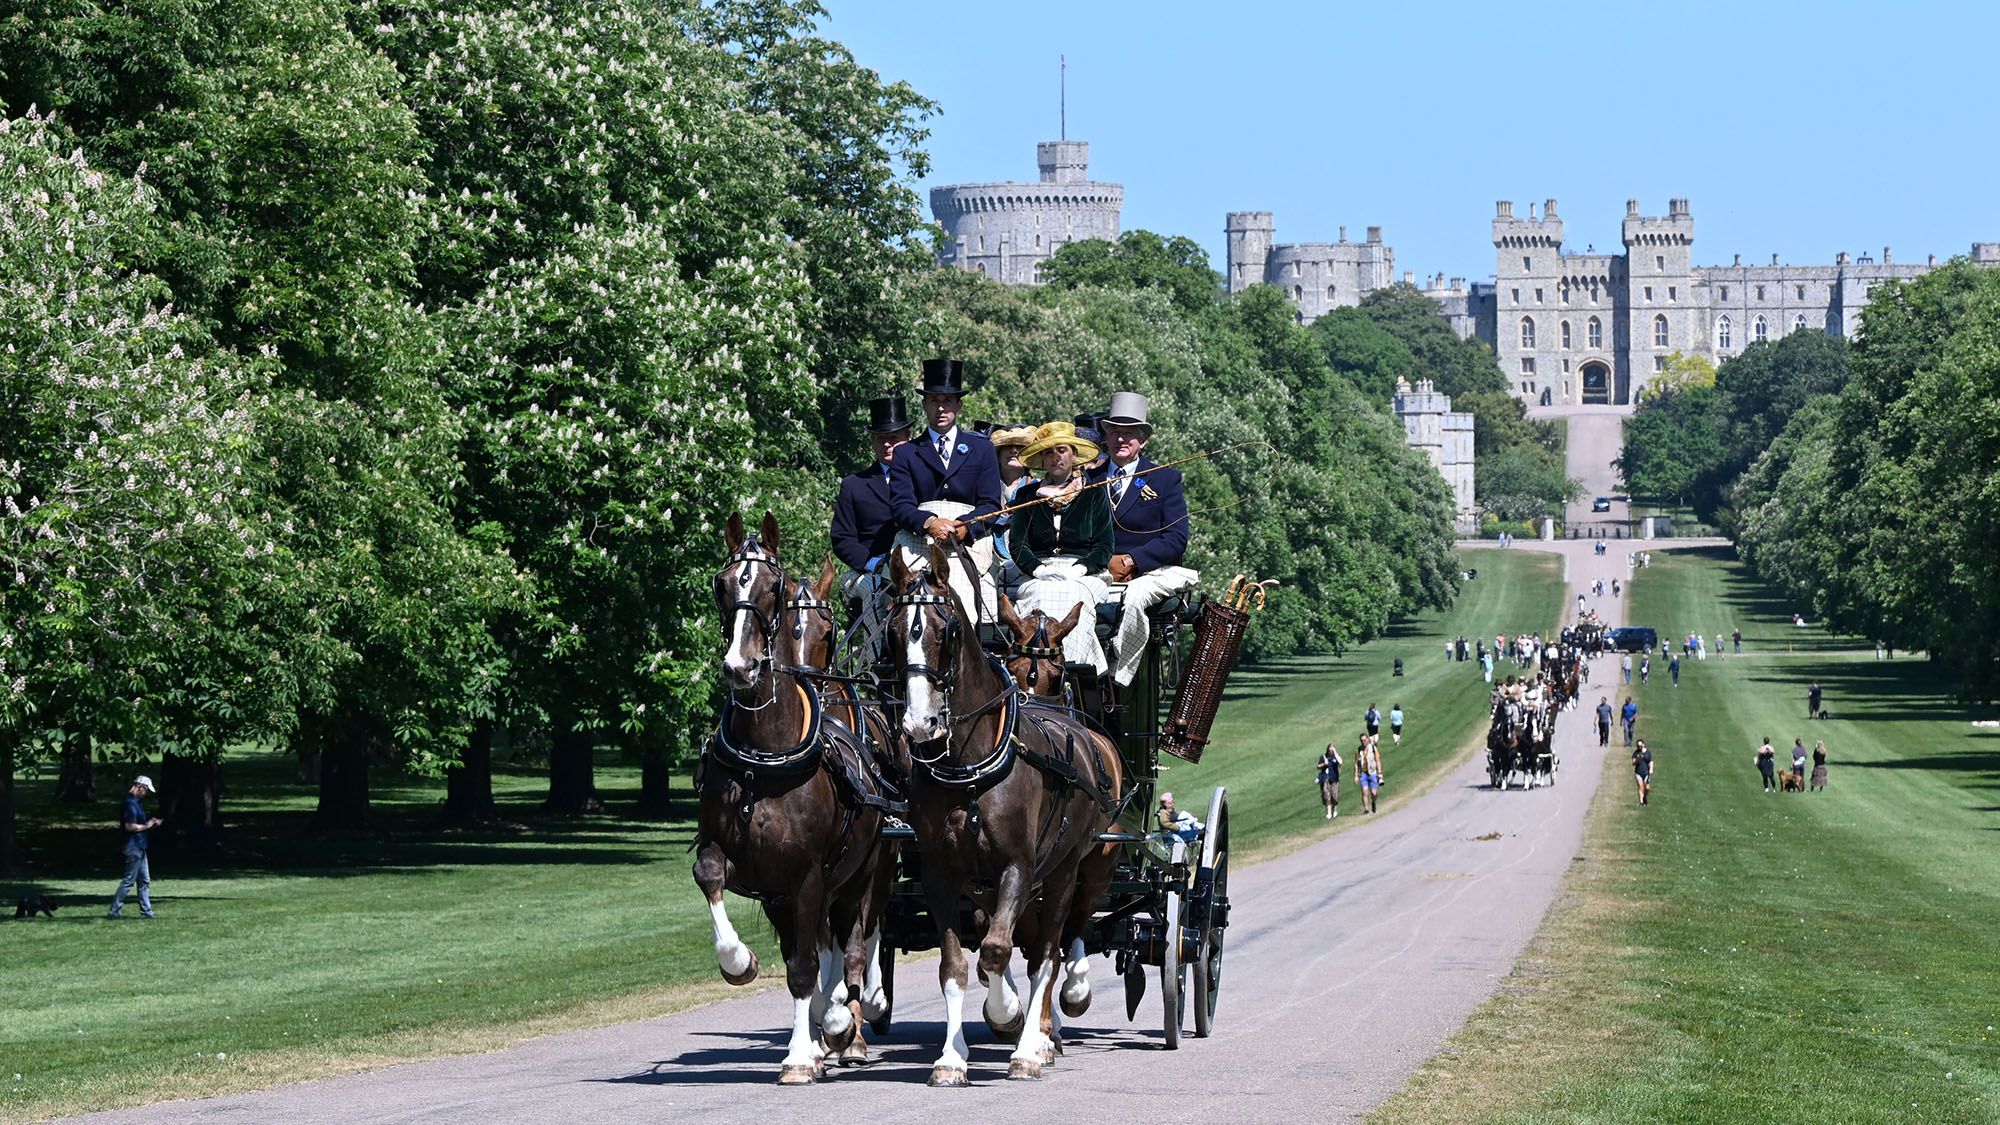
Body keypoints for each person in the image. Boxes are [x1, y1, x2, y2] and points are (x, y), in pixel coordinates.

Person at [1089, 392, 1198, 687]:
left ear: (1143, 440)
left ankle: (1116, 679)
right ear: (1106, 437)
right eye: (1114, 433)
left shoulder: (1164, 479)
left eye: (1129, 434)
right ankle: (1087, 671)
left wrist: (1133, 561)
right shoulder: (1088, 479)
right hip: (1097, 570)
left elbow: (1176, 538)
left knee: (1135, 599)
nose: (1121, 440)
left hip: (1148, 572)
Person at [887, 357, 1004, 623]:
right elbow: (900, 505)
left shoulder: (982, 449)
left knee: (960, 607)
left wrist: (966, 526)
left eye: (947, 401)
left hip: (967, 544)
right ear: (924, 404)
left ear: (959, 405)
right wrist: (928, 522)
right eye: (934, 400)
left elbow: (991, 504)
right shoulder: (906, 453)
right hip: (917, 542)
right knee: (909, 609)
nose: (941, 408)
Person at [1008, 422, 1114, 673]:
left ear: (1074, 454)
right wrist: (1037, 569)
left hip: (1085, 574)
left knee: (1073, 596)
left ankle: (1071, 670)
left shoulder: (1094, 494)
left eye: (1062, 450)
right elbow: (1018, 544)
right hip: (1039, 573)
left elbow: (1104, 545)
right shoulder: (1026, 496)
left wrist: (1081, 567)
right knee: (1039, 597)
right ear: (1042, 459)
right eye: (1048, 452)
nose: (1055, 457)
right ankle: (1033, 672)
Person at [831, 396, 914, 654]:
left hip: (914, 564)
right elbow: (842, 539)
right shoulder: (854, 485)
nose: (888, 444)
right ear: (872, 442)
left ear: (908, 438)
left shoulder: (924, 481)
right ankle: (881, 657)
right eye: (881, 438)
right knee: (874, 586)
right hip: (867, 572)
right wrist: (875, 564)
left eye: (895, 437)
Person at [107, 775, 162, 919]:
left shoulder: (135, 802)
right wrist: (148, 825)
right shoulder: (130, 803)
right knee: (129, 880)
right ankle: (114, 910)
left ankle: (147, 912)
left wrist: (151, 823)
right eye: (146, 790)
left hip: (140, 846)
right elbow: (130, 826)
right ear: (140, 787)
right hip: (133, 846)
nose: (146, 793)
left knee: (144, 880)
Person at [1355, 735, 1383, 814]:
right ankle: (1366, 809)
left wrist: (1379, 772)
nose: (1363, 741)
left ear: (1367, 739)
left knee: (1374, 793)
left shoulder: (1373, 749)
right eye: (1362, 740)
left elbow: (1377, 760)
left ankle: (1373, 802)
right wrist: (1356, 775)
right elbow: (1356, 764)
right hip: (1363, 773)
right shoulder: (1358, 750)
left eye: (1364, 740)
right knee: (1364, 791)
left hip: (1372, 773)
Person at [1316, 743, 1342, 819]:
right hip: (1325, 778)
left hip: (1334, 779)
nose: (1330, 752)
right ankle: (1329, 813)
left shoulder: (1336, 757)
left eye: (1332, 750)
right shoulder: (1323, 757)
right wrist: (1324, 764)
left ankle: (1334, 810)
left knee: (1335, 796)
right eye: (1330, 750)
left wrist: (1335, 753)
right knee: (1327, 795)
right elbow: (1318, 766)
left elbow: (1340, 762)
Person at [1632, 739, 1653, 805]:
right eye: (1638, 746)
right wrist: (1637, 758)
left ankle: (1644, 797)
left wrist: (1651, 769)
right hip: (1638, 772)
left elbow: (1651, 761)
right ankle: (1641, 802)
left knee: (1647, 788)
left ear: (1643, 745)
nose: (1639, 747)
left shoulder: (1647, 752)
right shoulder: (1636, 753)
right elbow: (1633, 763)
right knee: (1640, 786)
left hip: (1646, 772)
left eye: (1640, 745)